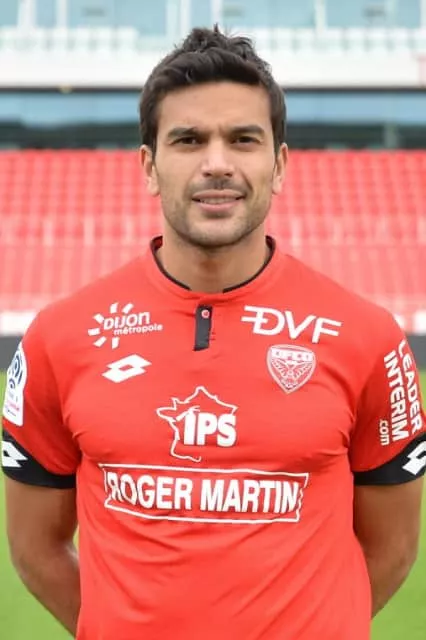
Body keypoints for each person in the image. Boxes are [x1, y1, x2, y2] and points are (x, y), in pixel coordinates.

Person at [1, 25, 425, 640]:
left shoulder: (368, 338)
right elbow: (34, 547)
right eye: (189, 139)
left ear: (279, 165)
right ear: (149, 166)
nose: (217, 163)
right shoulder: (59, 338)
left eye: (243, 139)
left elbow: (394, 548)